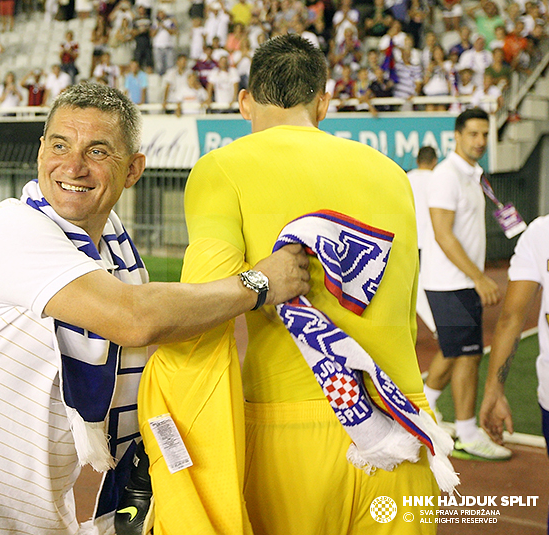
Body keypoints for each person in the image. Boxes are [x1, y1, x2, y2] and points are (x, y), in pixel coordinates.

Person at [0, 83, 310, 535]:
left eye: (97, 151)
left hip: (24, 519)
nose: (72, 165)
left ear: (132, 170)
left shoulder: (118, 259)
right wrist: (260, 283)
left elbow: (152, 347)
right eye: (59, 145)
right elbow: (137, 318)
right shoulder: (11, 228)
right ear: (39, 152)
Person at [137, 34, 441, 534]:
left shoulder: (221, 167)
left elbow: (199, 315)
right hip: (402, 424)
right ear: (323, 102)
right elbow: (404, 316)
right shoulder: (393, 174)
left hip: (290, 431)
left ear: (243, 101)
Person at [421, 107, 512, 460]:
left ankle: (426, 413)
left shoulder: (474, 175)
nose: (480, 141)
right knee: (466, 354)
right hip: (451, 283)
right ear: (456, 136)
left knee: (459, 352)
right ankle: (466, 433)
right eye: (473, 134)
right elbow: (443, 235)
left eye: (485, 134)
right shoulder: (446, 176)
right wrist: (478, 278)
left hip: (458, 283)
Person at [480, 214, 548, 459]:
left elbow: (511, 319)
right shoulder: (539, 233)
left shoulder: (540, 232)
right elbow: (511, 319)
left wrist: (494, 390)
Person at [408, 146, 439, 333]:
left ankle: (436, 323)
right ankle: (439, 323)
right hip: (436, 241)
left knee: (416, 285)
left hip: (412, 240)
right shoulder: (439, 179)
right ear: (434, 161)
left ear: (417, 160)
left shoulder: (406, 178)